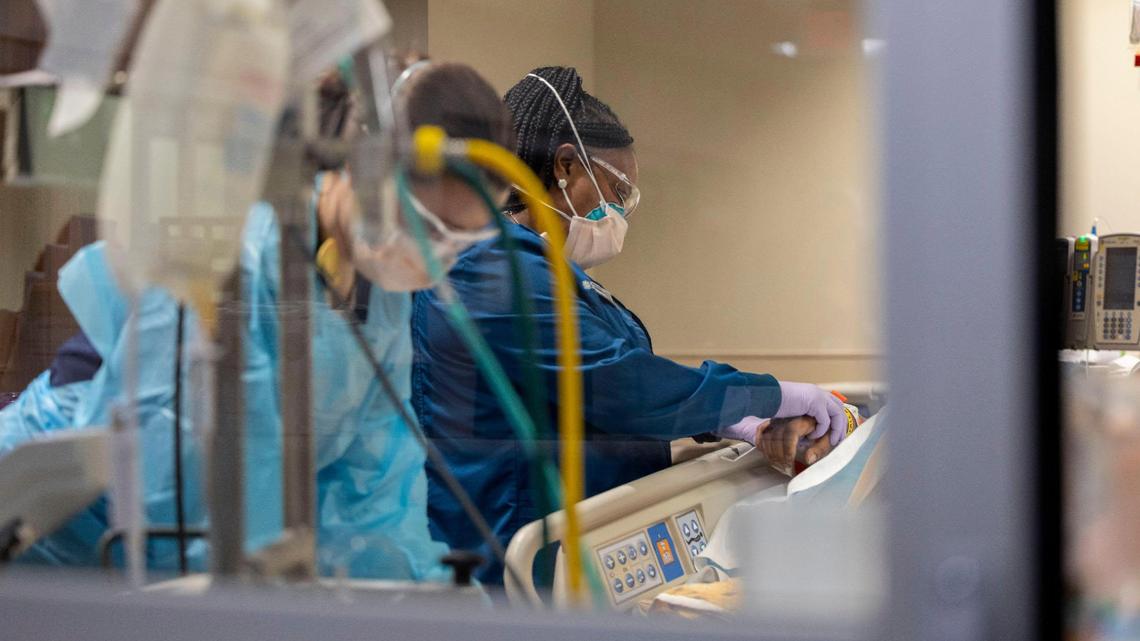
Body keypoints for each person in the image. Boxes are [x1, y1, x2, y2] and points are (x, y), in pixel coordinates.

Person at [0, 61, 513, 580]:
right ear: (361, 163)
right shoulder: (235, 264)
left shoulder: (378, 295)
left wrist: (417, 591)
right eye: (428, 227)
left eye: (459, 243)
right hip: (49, 535)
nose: (433, 257)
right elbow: (183, 506)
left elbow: (374, 491)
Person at [412, 66, 846, 584]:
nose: (621, 214)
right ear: (566, 167)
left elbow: (623, 375)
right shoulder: (490, 267)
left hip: (578, 544)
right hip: (511, 555)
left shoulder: (548, 273)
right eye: (617, 192)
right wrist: (768, 396)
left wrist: (731, 423)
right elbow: (620, 384)